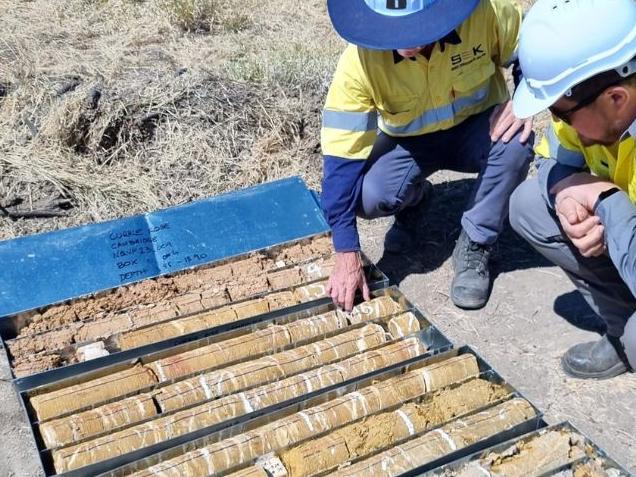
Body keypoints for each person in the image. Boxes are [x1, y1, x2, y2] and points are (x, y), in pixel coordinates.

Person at [321, 0, 534, 312]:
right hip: (410, 145)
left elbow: (535, 49)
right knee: (368, 195)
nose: (406, 41)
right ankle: (415, 200)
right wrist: (346, 251)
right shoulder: (359, 64)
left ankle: (476, 242)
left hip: (478, 131)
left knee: (516, 143)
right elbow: (340, 162)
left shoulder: (484, 13)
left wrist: (523, 97)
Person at [510, 0, 636, 378]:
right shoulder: (591, 104)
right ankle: (620, 327)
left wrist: (606, 201)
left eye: (562, 114)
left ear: (616, 98)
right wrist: (567, 190)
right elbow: (552, 159)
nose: (557, 121)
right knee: (528, 204)